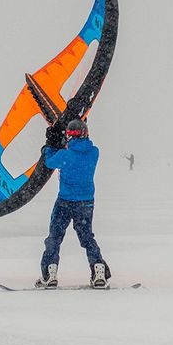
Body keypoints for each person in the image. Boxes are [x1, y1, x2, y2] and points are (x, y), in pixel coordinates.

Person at [35, 118, 111, 289]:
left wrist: (49, 146)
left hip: (65, 202)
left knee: (55, 237)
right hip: (86, 203)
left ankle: (50, 273)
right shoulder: (94, 153)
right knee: (87, 237)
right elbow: (82, 147)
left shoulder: (64, 155)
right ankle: (98, 270)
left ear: (69, 136)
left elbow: (49, 161)